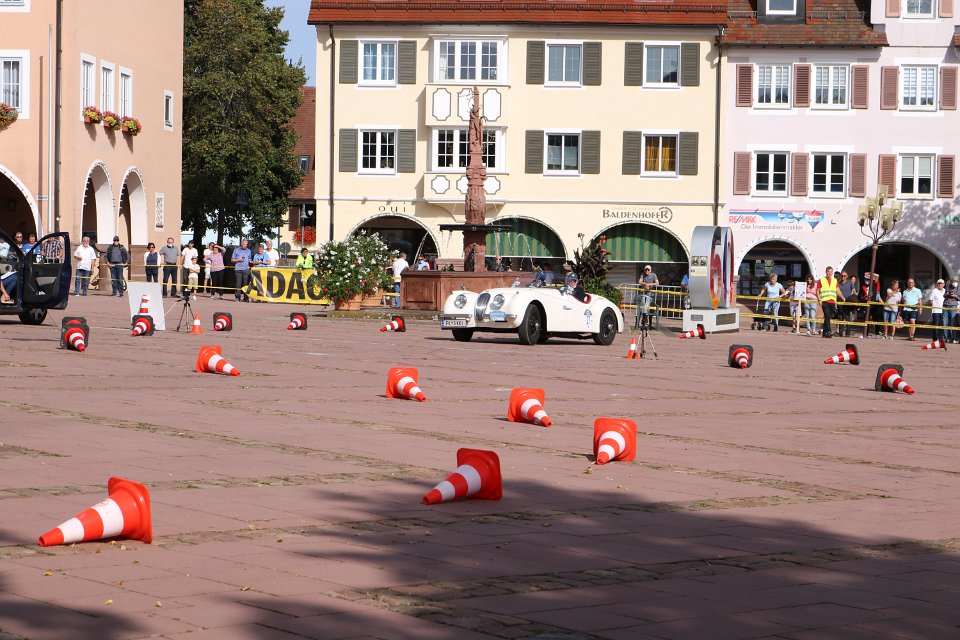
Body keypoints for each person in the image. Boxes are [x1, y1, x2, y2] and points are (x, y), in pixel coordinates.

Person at [816, 266, 843, 338]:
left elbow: (837, 290)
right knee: (827, 316)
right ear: (826, 272)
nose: (829, 273)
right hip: (824, 301)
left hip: (832, 301)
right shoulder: (821, 280)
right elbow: (817, 291)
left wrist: (842, 297)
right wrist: (819, 300)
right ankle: (828, 331)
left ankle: (824, 333)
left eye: (831, 272)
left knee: (828, 317)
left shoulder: (834, 280)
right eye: (828, 271)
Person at [837, 270, 857, 338]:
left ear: (847, 276)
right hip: (840, 302)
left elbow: (854, 290)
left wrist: (855, 296)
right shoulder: (838, 283)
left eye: (844, 276)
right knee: (841, 318)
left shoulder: (850, 283)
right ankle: (840, 333)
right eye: (842, 276)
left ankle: (848, 333)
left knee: (848, 318)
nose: (843, 277)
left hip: (848, 302)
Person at [943, 277, 959, 344]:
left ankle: (953, 338)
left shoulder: (959, 287)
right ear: (951, 281)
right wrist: (948, 294)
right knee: (945, 323)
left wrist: (955, 296)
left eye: (955, 281)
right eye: (953, 281)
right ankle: (945, 338)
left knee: (953, 323)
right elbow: (944, 295)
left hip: (953, 306)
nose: (954, 283)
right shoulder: (948, 286)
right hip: (946, 305)